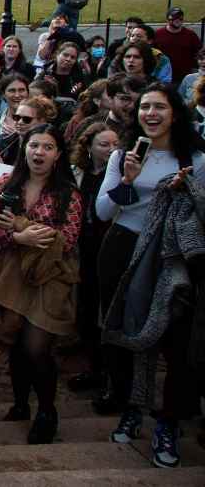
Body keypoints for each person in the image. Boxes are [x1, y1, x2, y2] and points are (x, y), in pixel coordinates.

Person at [96, 83, 205, 469]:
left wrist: (186, 189)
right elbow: (103, 212)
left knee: (177, 341)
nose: (151, 114)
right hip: (125, 249)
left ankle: (169, 421)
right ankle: (131, 405)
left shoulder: (196, 158)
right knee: (123, 335)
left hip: (173, 255)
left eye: (159, 106)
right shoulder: (125, 155)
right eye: (144, 107)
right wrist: (127, 180)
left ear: (175, 112)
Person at [0, 123, 84, 445]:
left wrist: (20, 226)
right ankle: (19, 402)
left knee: (37, 345)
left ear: (58, 154)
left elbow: (66, 240)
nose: (38, 152)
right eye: (33, 145)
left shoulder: (67, 193)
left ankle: (46, 410)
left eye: (47, 147)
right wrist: (19, 235)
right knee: (14, 338)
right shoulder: (5, 184)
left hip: (49, 277)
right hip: (12, 274)